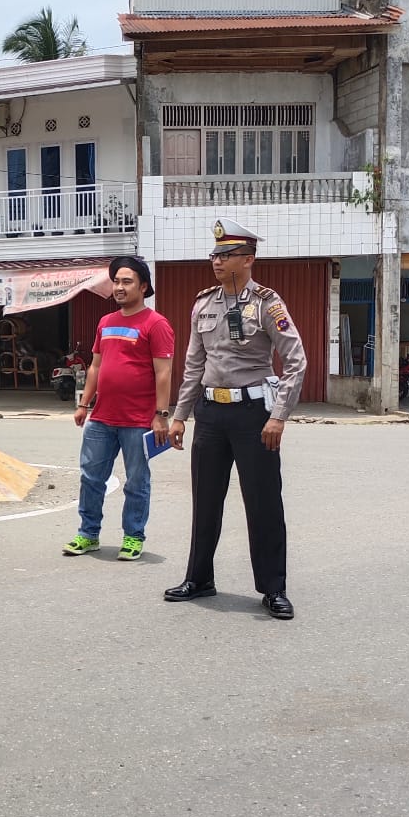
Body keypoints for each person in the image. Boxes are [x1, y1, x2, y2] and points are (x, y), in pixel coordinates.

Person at [165, 219, 307, 620]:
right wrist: (180, 416)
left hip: (253, 414)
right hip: (210, 413)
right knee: (205, 500)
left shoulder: (267, 303)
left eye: (226, 255)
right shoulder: (203, 304)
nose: (217, 261)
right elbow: (194, 366)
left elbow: (296, 362)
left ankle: (273, 588)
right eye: (214, 254)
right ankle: (199, 578)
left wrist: (279, 416)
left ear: (248, 259)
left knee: (262, 503)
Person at [61, 256, 175, 562]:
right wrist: (84, 403)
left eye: (127, 282)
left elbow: (164, 372)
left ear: (144, 286)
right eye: (116, 281)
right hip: (102, 418)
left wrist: (161, 415)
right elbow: (96, 367)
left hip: (139, 421)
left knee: (137, 481)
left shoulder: (156, 324)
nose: (119, 287)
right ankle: (88, 534)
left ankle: (133, 536)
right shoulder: (106, 322)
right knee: (91, 477)